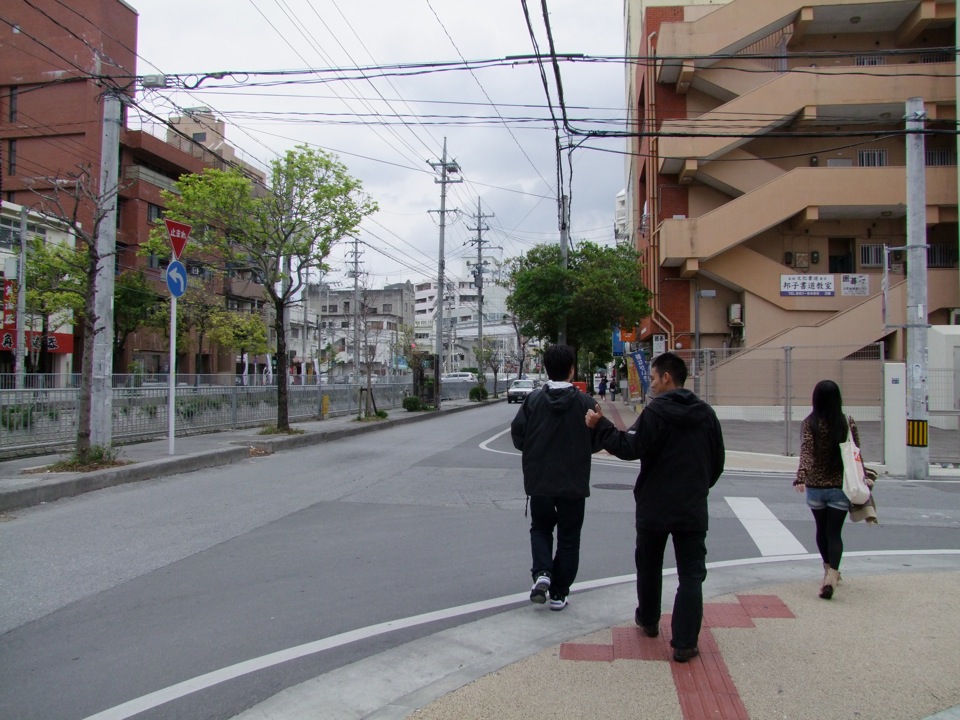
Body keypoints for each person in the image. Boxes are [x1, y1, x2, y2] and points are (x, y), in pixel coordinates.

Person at [586, 352, 724, 662]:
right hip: (692, 507)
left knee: (649, 565)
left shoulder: (655, 413)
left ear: (666, 378)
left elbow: (628, 447)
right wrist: (699, 487)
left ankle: (649, 620)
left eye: (653, 377)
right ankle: (685, 643)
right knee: (691, 574)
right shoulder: (706, 415)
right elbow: (718, 462)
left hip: (654, 505)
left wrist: (600, 425)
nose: (651, 383)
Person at [511, 344, 601, 611]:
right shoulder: (586, 403)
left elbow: (518, 436)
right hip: (574, 481)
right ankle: (559, 593)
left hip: (539, 479)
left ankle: (542, 573)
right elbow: (598, 438)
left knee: (541, 527)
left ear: (545, 368)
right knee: (569, 537)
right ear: (572, 370)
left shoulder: (533, 401)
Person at [793, 379, 866, 600]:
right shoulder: (846, 421)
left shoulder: (810, 422)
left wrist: (801, 476)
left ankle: (826, 570)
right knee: (834, 533)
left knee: (821, 530)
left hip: (815, 487)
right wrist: (863, 476)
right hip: (839, 486)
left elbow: (807, 451)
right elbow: (855, 451)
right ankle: (833, 575)